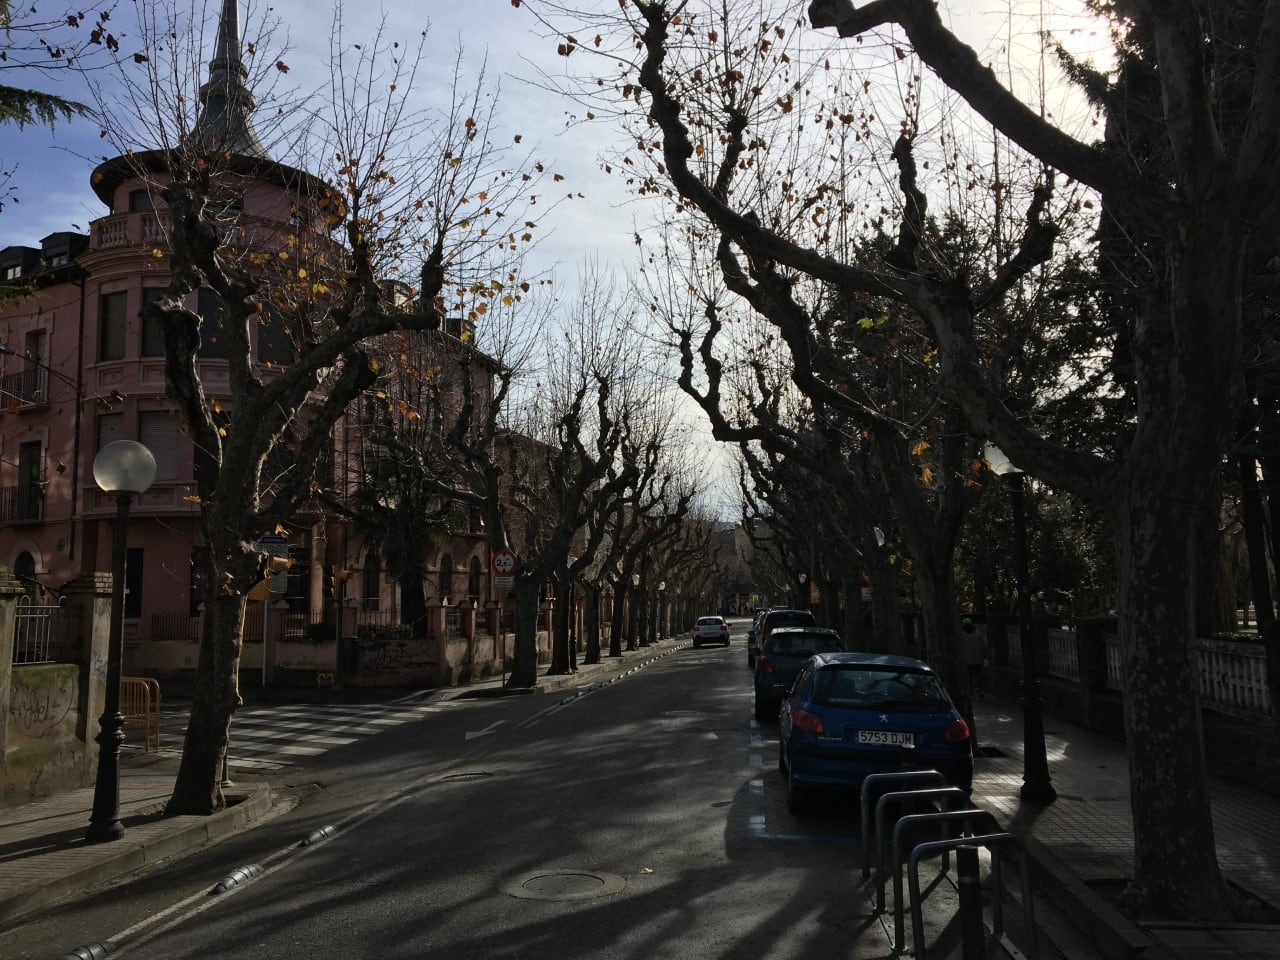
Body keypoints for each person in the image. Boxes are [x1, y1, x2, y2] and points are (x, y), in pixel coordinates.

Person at [959, 617, 985, 699]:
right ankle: (979, 690)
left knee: (969, 677)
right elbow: (984, 646)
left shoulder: (961, 634)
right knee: (978, 676)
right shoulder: (978, 633)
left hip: (967, 660)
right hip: (978, 659)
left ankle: (971, 691)